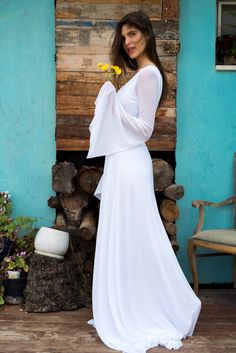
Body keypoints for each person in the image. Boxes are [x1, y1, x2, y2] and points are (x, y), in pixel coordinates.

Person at [86, 11, 201, 353]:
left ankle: (156, 307)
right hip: (120, 164)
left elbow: (145, 130)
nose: (128, 42)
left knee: (136, 234)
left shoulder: (150, 75)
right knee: (124, 235)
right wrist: (113, 101)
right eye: (124, 37)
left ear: (147, 35)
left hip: (132, 164)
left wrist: (113, 105)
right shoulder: (137, 75)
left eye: (133, 34)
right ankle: (126, 303)